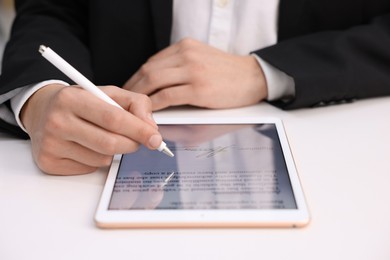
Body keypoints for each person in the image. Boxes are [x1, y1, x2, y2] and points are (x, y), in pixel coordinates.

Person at [0, 0, 389, 175]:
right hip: (97, 168)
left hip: (342, 157)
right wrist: (38, 97)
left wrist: (263, 72)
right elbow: (51, 10)